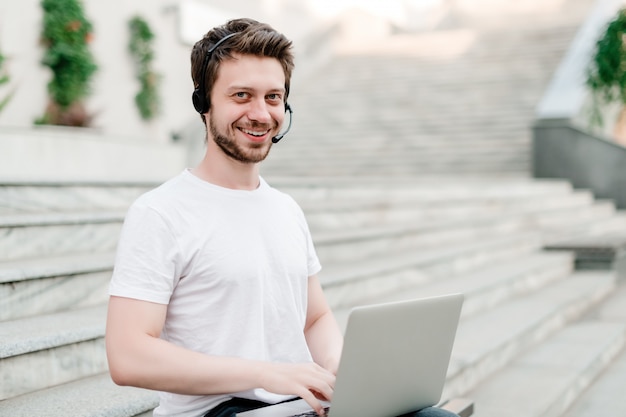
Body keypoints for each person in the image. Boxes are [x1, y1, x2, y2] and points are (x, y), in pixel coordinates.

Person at [105, 18, 459, 417]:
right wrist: (263, 374)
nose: (261, 113)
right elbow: (128, 355)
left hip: (299, 407)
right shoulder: (160, 213)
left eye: (273, 97)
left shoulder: (286, 209)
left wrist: (343, 372)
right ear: (203, 103)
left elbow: (315, 317)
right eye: (242, 95)